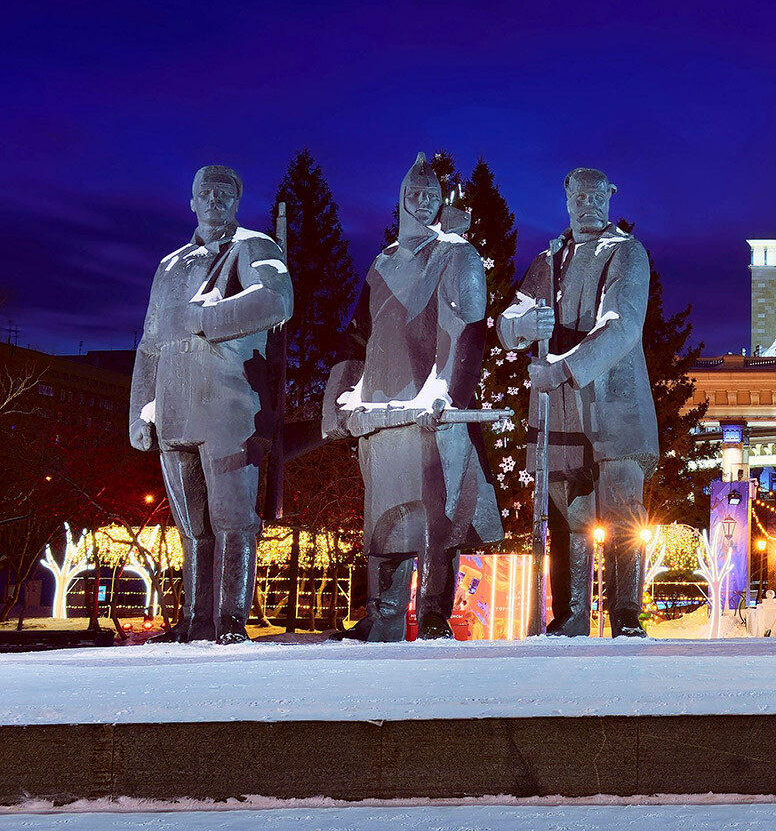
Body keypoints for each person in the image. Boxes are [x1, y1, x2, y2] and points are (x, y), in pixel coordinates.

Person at [324, 154, 502, 640]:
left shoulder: (456, 255)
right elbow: (357, 336)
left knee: (436, 521)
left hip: (430, 413)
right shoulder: (380, 264)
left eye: (431, 196)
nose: (422, 203)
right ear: (401, 198)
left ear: (440, 202)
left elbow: (464, 331)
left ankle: (433, 617)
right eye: (414, 194)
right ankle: (382, 614)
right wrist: (340, 397)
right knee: (386, 517)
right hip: (381, 412)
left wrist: (444, 391)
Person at [130, 165, 294, 643]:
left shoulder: (255, 246)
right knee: (191, 524)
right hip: (175, 409)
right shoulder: (169, 266)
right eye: (207, 192)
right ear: (193, 201)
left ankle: (230, 621)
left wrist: (207, 318)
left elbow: (276, 300)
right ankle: (193, 619)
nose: (216, 200)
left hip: (230, 407)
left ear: (237, 202)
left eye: (226, 193)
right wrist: (141, 410)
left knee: (233, 519)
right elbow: (148, 343)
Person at [498, 168, 658, 636]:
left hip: (616, 408)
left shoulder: (627, 252)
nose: (589, 204)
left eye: (597, 196)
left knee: (623, 509)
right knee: (569, 514)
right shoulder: (549, 259)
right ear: (567, 198)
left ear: (609, 199)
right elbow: (510, 318)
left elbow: (622, 323)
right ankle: (570, 614)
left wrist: (564, 367)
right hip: (562, 411)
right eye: (580, 196)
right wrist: (523, 327)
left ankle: (626, 613)